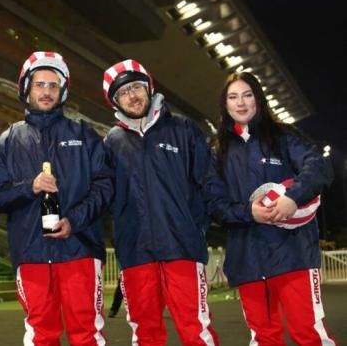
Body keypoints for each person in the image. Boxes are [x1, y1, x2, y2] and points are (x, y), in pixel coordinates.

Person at [0, 51, 112, 346]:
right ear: (27, 89)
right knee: (41, 334)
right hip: (31, 253)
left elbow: (104, 187)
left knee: (87, 333)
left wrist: (75, 220)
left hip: (79, 248)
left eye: (53, 85)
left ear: (63, 90)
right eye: (39, 84)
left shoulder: (84, 134)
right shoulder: (9, 139)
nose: (46, 91)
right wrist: (29, 187)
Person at [204, 71, 336, 345]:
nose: (241, 103)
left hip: (293, 255)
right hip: (247, 260)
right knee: (264, 339)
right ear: (225, 105)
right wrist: (247, 212)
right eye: (233, 97)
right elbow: (213, 204)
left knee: (308, 335)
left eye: (247, 95)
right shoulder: (217, 151)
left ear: (258, 99)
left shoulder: (284, 137)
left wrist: (293, 197)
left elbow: (319, 167)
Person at [101, 59, 219, 346]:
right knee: (145, 333)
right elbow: (103, 195)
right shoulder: (111, 142)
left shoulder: (184, 129)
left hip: (182, 247)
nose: (132, 96)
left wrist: (194, 228)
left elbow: (209, 184)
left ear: (149, 87)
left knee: (196, 330)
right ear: (115, 101)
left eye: (136, 87)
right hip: (136, 252)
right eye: (123, 92)